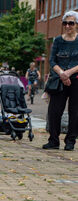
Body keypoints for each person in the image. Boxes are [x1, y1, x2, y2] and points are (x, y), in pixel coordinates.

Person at [43, 11, 78, 151]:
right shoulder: (57, 40)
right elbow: (52, 60)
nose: (68, 26)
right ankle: (53, 140)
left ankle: (70, 141)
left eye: (71, 23)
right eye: (65, 23)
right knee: (54, 111)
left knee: (75, 111)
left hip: (76, 78)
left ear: (76, 25)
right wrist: (62, 74)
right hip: (59, 79)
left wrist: (69, 73)